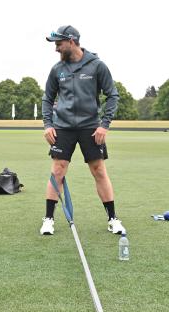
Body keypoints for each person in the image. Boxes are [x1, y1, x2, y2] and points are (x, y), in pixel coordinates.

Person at [40, 25, 124, 236]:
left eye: (59, 44)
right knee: (57, 170)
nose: (56, 48)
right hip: (63, 128)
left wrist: (104, 125)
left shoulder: (97, 66)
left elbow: (112, 95)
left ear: (71, 41)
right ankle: (48, 219)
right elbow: (47, 99)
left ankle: (113, 219)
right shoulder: (57, 69)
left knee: (98, 171)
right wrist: (48, 125)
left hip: (90, 127)